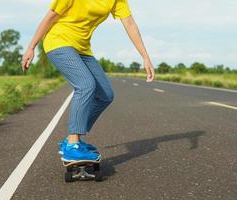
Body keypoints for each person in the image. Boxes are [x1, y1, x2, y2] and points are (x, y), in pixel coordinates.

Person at [21, 0, 155, 162]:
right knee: (85, 85)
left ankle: (72, 140)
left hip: (82, 48)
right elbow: (51, 16)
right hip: (58, 41)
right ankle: (73, 144)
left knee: (105, 95)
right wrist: (31, 47)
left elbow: (129, 23)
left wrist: (145, 57)